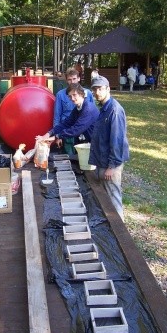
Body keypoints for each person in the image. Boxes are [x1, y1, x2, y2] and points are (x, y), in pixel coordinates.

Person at [89, 75, 130, 221]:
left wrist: (112, 166)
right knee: (105, 195)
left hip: (111, 163)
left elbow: (117, 140)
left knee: (113, 196)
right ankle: (110, 225)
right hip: (102, 160)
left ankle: (120, 230)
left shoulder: (115, 110)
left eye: (100, 89)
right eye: (94, 90)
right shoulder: (104, 108)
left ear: (108, 89)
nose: (97, 92)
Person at [36, 83, 99, 151]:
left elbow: (77, 129)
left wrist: (56, 136)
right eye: (70, 96)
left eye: (74, 95)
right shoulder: (78, 108)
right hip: (89, 142)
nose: (72, 98)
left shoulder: (88, 109)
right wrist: (49, 134)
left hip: (97, 143)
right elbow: (66, 123)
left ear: (81, 94)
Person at [53, 68, 94, 155]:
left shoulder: (88, 93)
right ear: (66, 81)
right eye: (69, 79)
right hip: (67, 131)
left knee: (84, 156)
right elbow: (57, 116)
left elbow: (92, 115)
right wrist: (57, 136)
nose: (72, 82)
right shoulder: (60, 94)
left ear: (79, 78)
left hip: (83, 129)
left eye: (74, 79)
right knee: (69, 156)